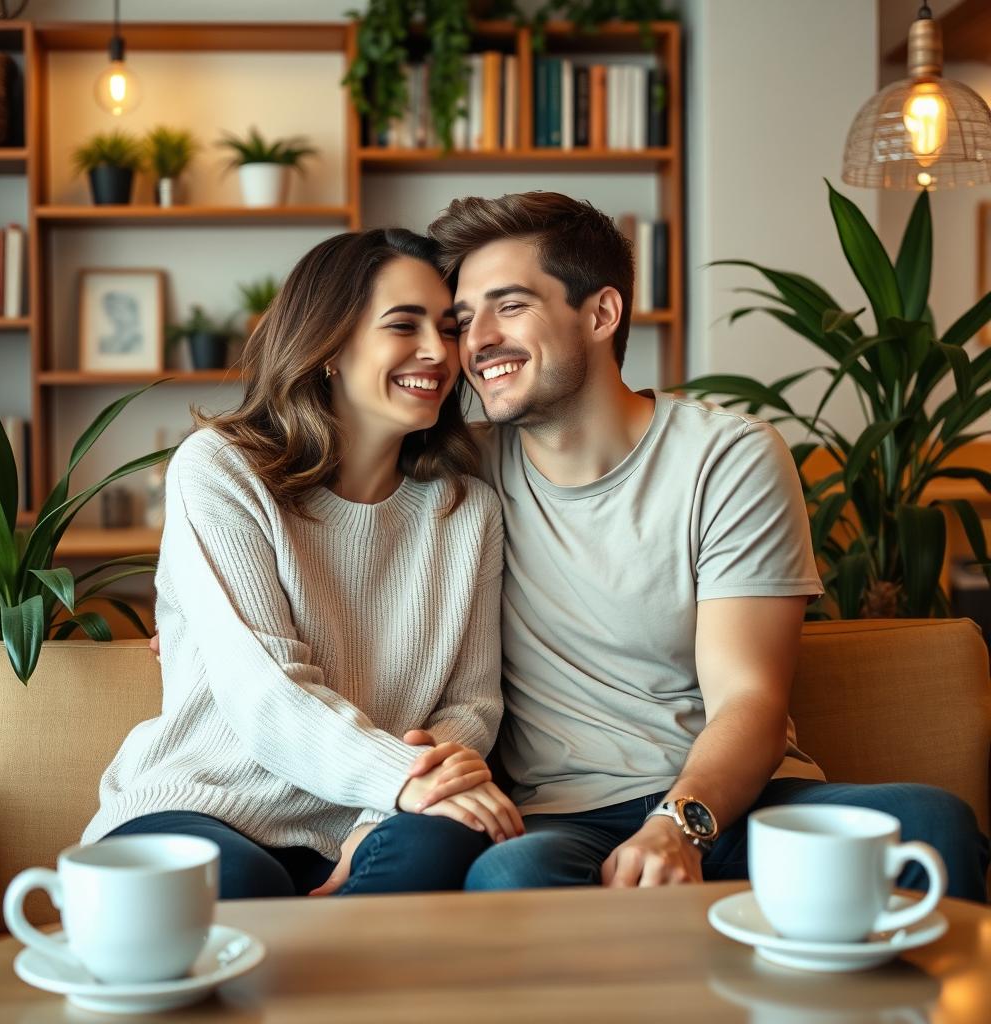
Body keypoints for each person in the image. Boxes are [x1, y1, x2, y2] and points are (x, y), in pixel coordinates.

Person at [408, 191, 989, 900]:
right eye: (464, 319)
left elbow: (749, 695)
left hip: (742, 799)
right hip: (567, 818)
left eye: (511, 306)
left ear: (601, 313)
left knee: (932, 820)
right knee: (510, 875)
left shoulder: (727, 457)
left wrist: (679, 825)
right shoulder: (460, 471)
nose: (477, 341)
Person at [83, 228, 523, 899]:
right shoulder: (223, 469)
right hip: (204, 803)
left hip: (374, 813)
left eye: (448, 327)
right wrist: (401, 780)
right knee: (241, 884)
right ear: (329, 347)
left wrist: (381, 811)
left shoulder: (469, 511)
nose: (439, 352)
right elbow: (266, 693)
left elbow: (470, 703)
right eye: (403, 325)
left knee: (451, 844)